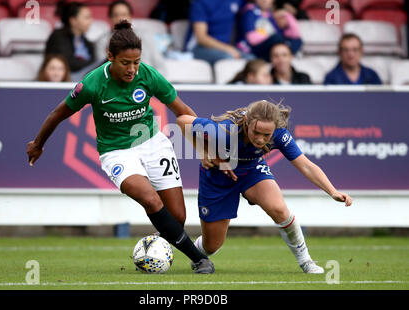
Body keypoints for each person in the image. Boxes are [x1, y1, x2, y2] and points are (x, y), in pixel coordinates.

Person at [26, 20, 215, 274]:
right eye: (125, 63)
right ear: (110, 57)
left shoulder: (148, 75)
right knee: (149, 198)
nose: (132, 69)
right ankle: (198, 258)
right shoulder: (92, 84)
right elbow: (57, 114)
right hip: (116, 152)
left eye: (136, 62)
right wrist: (38, 144)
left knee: (177, 217)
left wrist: (205, 148)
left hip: (152, 143)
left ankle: (150, 253)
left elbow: (184, 112)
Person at [176, 100, 353, 273]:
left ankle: (306, 261)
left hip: (252, 171)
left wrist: (332, 191)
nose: (260, 140)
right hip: (218, 174)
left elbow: (306, 165)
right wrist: (205, 151)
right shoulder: (225, 129)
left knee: (279, 209)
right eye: (256, 132)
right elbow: (182, 121)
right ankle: (195, 254)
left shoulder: (279, 134)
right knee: (211, 246)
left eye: (266, 135)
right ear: (247, 122)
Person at [185, 0, 252, 65]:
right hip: (198, 48)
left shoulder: (236, 1)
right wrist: (227, 49)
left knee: (252, 61)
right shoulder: (200, 3)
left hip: (225, 47)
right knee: (228, 59)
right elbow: (201, 38)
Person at [237, 0, 302, 62]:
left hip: (272, 45)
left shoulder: (271, 14)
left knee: (297, 41)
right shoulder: (249, 12)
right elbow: (252, 38)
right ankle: (284, 53)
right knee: (277, 38)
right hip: (254, 49)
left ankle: (285, 53)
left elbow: (295, 33)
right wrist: (272, 37)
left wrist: (287, 14)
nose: (265, 0)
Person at [45, 1, 95, 74]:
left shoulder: (86, 41)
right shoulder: (59, 37)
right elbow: (68, 63)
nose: (90, 21)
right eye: (86, 17)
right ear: (73, 20)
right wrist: (92, 64)